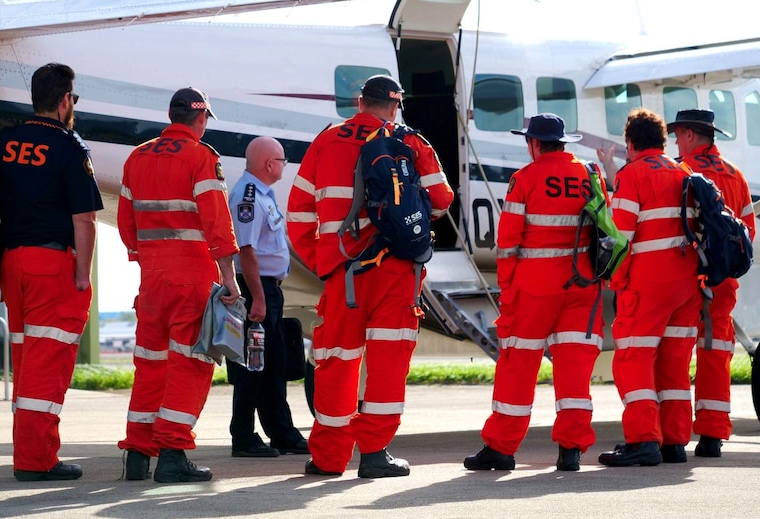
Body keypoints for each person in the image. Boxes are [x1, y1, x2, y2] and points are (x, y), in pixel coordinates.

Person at [286, 74, 454, 478]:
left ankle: (328, 458)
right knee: (387, 363)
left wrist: (325, 260)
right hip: (396, 273)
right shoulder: (411, 141)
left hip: (343, 274)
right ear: (395, 105)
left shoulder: (326, 140)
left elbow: (298, 214)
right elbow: (443, 198)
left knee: (336, 362)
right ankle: (376, 455)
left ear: (359, 102)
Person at [463, 113, 607, 473]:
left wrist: (508, 291)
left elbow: (508, 243)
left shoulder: (524, 179)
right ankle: (571, 450)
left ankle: (501, 448)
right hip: (583, 286)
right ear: (563, 143)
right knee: (574, 370)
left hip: (534, 289)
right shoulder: (590, 175)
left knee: (518, 364)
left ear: (534, 144)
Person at [0, 62, 103, 481]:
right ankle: (36, 461)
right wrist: (83, 276)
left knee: (25, 358)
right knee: (46, 363)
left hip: (11, 264)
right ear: (65, 100)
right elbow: (84, 220)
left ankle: (31, 451)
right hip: (52, 265)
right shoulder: (69, 146)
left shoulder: (6, 140)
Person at [117, 87, 240, 483]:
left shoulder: (136, 156)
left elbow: (126, 223)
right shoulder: (202, 157)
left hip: (152, 280)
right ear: (201, 119)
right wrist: (229, 277)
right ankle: (172, 453)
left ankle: (138, 454)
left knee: (150, 364)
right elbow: (217, 221)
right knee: (191, 362)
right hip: (192, 277)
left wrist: (147, 258)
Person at [598, 108, 702, 467]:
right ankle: (674, 442)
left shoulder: (633, 175)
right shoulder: (683, 172)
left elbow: (620, 236)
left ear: (630, 144)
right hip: (686, 285)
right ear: (661, 141)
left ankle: (643, 440)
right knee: (674, 363)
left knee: (633, 359)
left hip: (649, 285)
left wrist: (617, 279)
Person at [669, 109, 757, 457]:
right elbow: (748, 231)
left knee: (674, 354)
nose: (675, 140)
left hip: (687, 279)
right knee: (716, 353)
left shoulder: (682, 172)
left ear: (691, 135)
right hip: (723, 281)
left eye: (678, 134)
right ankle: (712, 436)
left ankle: (672, 438)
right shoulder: (736, 175)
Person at [226, 136, 308, 458]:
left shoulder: (264, 195)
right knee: (252, 366)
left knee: (273, 365)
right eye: (282, 160)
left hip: (268, 290)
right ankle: (243, 436)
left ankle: (282, 433)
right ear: (269, 164)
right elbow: (246, 251)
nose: (284, 166)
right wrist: (257, 299)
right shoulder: (248, 198)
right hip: (255, 290)